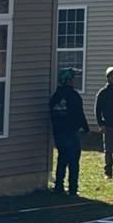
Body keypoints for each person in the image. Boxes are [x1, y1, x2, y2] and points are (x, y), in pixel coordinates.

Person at [49, 66, 89, 196]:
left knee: (62, 159)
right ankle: (72, 188)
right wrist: (86, 128)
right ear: (67, 80)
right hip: (71, 133)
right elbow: (79, 114)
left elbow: (52, 114)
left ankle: (59, 186)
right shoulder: (73, 96)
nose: (74, 81)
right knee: (73, 162)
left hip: (58, 133)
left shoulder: (55, 97)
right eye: (72, 78)